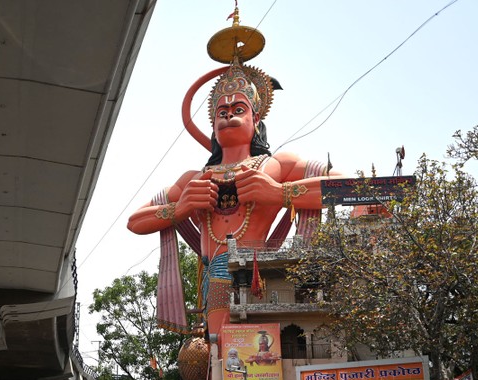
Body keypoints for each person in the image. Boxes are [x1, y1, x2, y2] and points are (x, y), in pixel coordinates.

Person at [127, 13, 338, 353]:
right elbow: (136, 221)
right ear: (212, 125)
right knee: (220, 350)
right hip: (217, 274)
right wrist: (181, 208)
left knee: (263, 350)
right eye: (221, 112)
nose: (229, 115)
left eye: (238, 109)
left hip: (261, 270)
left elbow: (345, 186)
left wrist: (280, 193)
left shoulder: (275, 166)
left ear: (256, 118)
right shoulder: (196, 178)